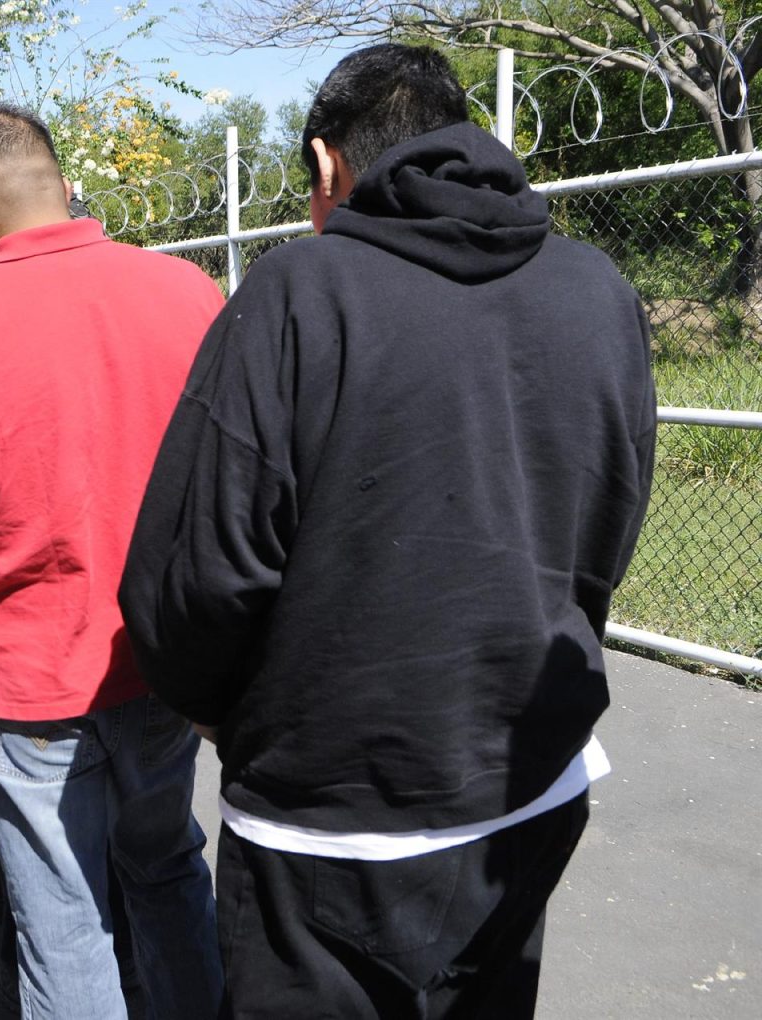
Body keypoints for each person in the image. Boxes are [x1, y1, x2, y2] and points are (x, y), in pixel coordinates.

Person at [118, 45, 658, 1020]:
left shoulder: (299, 294)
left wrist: (214, 713)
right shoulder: (596, 290)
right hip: (528, 789)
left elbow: (192, 577)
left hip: (326, 827)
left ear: (329, 168)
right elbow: (610, 515)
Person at [0, 104, 225, 1018]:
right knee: (165, 867)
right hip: (162, 658)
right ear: (63, 183)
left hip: (35, 677)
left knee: (62, 913)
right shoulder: (190, 292)